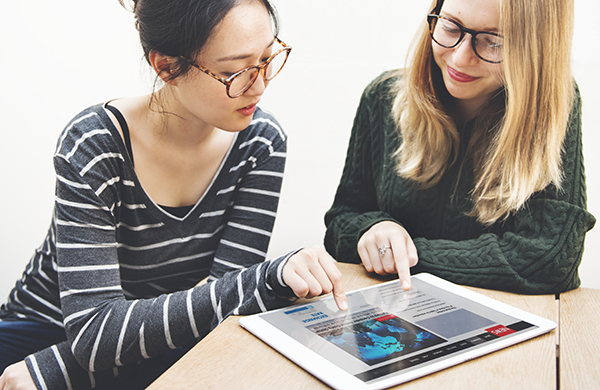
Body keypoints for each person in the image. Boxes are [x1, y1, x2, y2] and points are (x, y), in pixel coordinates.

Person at [0, 0, 347, 389]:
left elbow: (223, 306)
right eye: (234, 71)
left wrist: (58, 371)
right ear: (166, 66)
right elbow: (94, 332)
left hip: (111, 352)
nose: (260, 86)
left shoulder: (260, 143)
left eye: (268, 58)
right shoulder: (95, 144)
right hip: (42, 336)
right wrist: (265, 280)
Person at [325, 0, 596, 294]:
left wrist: (407, 255)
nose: (461, 57)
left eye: (493, 42)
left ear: (536, 50)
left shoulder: (554, 106)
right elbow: (342, 220)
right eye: (451, 27)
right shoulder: (382, 98)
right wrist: (373, 228)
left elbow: (550, 261)